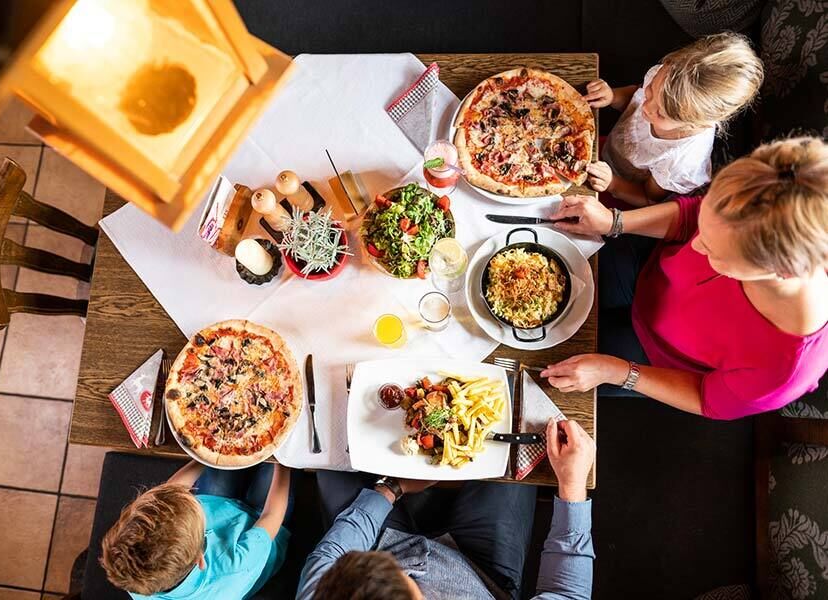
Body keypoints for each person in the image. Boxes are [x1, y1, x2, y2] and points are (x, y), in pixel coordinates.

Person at [542, 136, 828, 419]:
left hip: (651, 358)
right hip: (646, 269)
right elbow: (690, 217)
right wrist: (615, 222)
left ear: (782, 272)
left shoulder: (784, 372)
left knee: (545, 367)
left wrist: (613, 371)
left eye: (713, 250)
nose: (696, 245)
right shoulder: (756, 201)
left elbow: (705, 397)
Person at [297, 418, 596, 599]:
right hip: (482, 572)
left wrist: (391, 488)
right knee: (514, 442)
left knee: (326, 444)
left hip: (381, 543)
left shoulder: (326, 592)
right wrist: (572, 485)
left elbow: (329, 555)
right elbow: (566, 593)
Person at [583, 33, 763, 207]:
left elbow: (648, 198)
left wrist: (612, 183)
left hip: (620, 190)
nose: (646, 107)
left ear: (697, 123)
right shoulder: (664, 80)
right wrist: (612, 96)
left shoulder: (682, 162)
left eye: (661, 114)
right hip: (604, 148)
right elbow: (636, 96)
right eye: (650, 92)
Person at [100, 461, 293, 600]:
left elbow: (168, 494)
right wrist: (282, 461)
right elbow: (272, 515)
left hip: (218, 504)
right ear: (200, 559)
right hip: (263, 525)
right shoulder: (232, 567)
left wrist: (203, 458)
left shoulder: (133, 579)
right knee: (276, 470)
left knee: (221, 457)